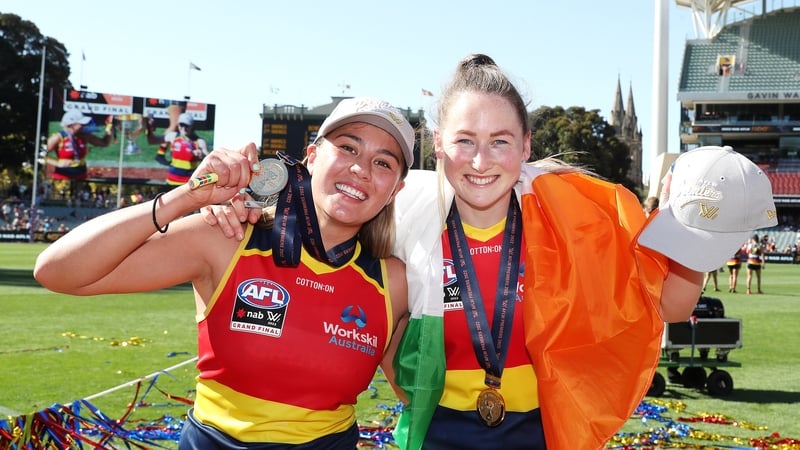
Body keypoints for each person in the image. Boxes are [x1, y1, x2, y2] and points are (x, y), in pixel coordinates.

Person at [204, 56, 777, 449]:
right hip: (434, 431)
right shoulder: (405, 211)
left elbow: (671, 306)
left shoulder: (574, 213)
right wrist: (238, 192)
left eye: (501, 142)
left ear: (526, 146)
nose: (482, 161)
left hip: (543, 431)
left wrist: (703, 226)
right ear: (438, 145)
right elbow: (321, 214)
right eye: (465, 142)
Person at [34, 97, 415, 449]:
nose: (360, 169)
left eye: (383, 162)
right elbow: (59, 272)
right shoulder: (227, 238)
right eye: (348, 147)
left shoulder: (393, 281)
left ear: (394, 190)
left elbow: (420, 393)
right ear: (312, 156)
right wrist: (186, 197)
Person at [46, 110, 113, 196]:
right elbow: (40, 155)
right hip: (62, 176)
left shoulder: (85, 136)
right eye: (80, 124)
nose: (83, 126)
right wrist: (57, 163)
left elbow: (104, 143)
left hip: (81, 175)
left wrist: (109, 129)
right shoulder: (57, 138)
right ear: (70, 125)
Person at [152, 112, 210, 186]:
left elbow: (209, 159)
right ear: (178, 125)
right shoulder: (173, 137)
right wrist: (149, 128)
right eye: (181, 125)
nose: (184, 128)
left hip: (188, 184)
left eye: (186, 125)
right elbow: (153, 140)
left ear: (192, 126)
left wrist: (201, 154)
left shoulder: (199, 141)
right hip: (171, 182)